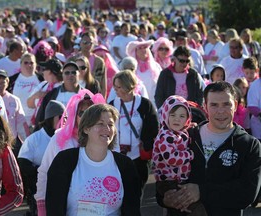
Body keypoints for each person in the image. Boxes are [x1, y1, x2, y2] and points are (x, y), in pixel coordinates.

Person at [158, 81, 261, 216]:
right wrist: (164, 198)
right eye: (214, 105)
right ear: (205, 107)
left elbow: (247, 194)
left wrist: (201, 192)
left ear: (235, 105)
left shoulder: (249, 145)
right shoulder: (185, 137)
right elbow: (163, 174)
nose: (220, 111)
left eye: (226, 104)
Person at [46, 103, 141, 215]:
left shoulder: (125, 165)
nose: (106, 129)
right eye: (100, 124)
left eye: (110, 125)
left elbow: (132, 209)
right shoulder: (64, 161)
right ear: (86, 128)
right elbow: (54, 207)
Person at [35, 89, 105, 216]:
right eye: (82, 113)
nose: (86, 117)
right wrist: (42, 205)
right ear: (74, 114)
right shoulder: (60, 139)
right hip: (64, 205)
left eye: (91, 113)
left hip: (97, 204)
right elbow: (45, 171)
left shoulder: (106, 138)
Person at [152, 95, 207, 216]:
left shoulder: (177, 132)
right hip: (168, 181)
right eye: (173, 115)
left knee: (184, 206)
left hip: (177, 179)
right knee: (195, 208)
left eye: (182, 116)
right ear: (165, 115)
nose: (177, 119)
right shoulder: (165, 136)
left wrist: (189, 126)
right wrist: (190, 154)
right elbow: (172, 159)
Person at [109, 70, 159, 191]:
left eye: (119, 87)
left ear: (128, 85)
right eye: (114, 87)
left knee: (137, 191)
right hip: (117, 155)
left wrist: (147, 143)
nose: (115, 90)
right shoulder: (112, 104)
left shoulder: (144, 104)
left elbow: (154, 128)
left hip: (138, 156)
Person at [18, 100, 65, 216]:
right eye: (60, 117)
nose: (64, 121)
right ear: (51, 118)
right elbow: (23, 163)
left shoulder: (66, 138)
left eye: (65, 117)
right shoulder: (34, 139)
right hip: (39, 189)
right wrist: (40, 173)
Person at [27, 58, 63, 126]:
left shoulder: (62, 87)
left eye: (44, 69)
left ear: (50, 72)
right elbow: (29, 104)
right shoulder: (43, 85)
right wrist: (35, 96)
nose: (42, 72)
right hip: (38, 124)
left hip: (53, 125)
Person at [126, 38, 161, 104]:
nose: (143, 50)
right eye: (140, 48)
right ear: (135, 51)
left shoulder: (156, 66)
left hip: (154, 101)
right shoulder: (131, 67)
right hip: (137, 102)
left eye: (145, 47)